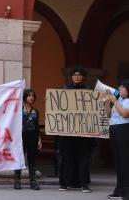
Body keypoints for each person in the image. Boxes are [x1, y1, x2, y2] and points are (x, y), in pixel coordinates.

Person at [55, 65, 97, 193]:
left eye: (79, 75)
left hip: (84, 131)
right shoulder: (65, 89)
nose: (76, 77)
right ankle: (65, 183)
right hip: (68, 131)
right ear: (71, 77)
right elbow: (58, 108)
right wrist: (52, 101)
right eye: (74, 75)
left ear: (83, 77)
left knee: (83, 158)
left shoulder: (89, 90)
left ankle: (84, 184)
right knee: (67, 157)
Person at [102, 79, 129, 199]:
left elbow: (124, 114)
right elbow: (109, 115)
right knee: (118, 162)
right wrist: (107, 102)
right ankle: (119, 189)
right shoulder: (120, 100)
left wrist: (114, 101)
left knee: (125, 162)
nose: (119, 89)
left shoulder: (127, 101)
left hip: (124, 131)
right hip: (114, 130)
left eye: (122, 87)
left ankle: (127, 191)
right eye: (119, 87)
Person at [14, 89, 42, 190]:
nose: (31, 98)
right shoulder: (20, 109)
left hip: (33, 136)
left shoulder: (36, 111)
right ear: (25, 97)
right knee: (20, 158)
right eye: (29, 96)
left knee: (32, 159)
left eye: (33, 96)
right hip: (21, 136)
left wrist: (39, 140)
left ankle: (33, 182)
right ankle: (17, 181)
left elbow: (37, 126)